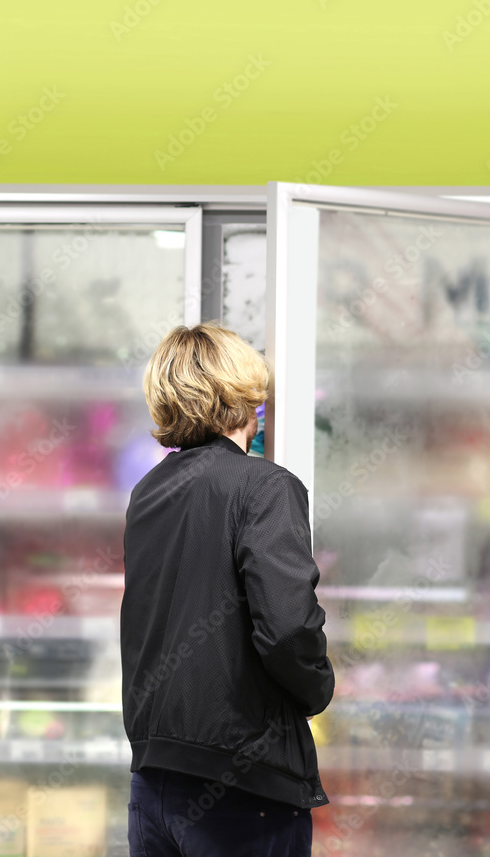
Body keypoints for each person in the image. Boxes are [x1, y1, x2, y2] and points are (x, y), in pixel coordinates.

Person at [121, 323, 334, 857]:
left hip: (153, 782)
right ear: (242, 398)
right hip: (241, 786)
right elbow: (287, 628)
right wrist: (317, 691)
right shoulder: (266, 486)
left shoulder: (148, 492)